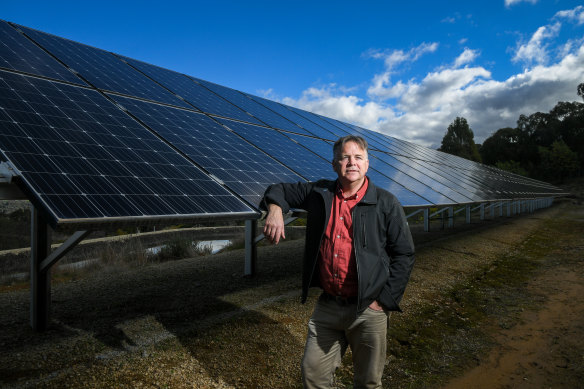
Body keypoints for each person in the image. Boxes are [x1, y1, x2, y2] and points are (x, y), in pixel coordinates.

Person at [261, 135, 416, 388]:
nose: (351, 163)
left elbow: (404, 254)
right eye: (345, 157)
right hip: (329, 307)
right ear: (334, 164)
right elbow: (278, 189)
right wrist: (276, 209)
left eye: (358, 158)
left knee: (367, 382)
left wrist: (384, 301)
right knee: (313, 373)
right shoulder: (320, 193)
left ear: (367, 164)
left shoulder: (386, 202)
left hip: (368, 308)